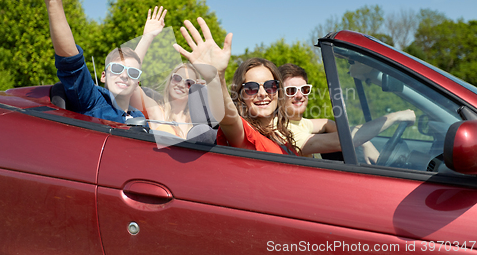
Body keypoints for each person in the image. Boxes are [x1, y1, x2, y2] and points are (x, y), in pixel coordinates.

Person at [20, 0, 145, 123]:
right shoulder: (93, 102)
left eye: (133, 73)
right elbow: (72, 63)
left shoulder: (140, 117)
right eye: (117, 68)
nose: (125, 75)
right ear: (103, 76)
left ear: (137, 84)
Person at [174, 18, 299, 155]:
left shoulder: (282, 137)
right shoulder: (247, 135)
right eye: (251, 88)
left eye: (270, 85)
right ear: (240, 96)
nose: (262, 93)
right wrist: (215, 78)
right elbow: (229, 119)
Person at [278, 63, 416, 163]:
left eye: (304, 89)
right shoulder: (285, 131)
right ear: (278, 95)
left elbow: (327, 124)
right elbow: (342, 141)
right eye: (291, 90)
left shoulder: (298, 122)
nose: (300, 95)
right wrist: (395, 117)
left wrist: (365, 144)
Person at [131, 62, 203, 138]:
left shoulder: (198, 123)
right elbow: (132, 85)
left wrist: (207, 92)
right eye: (177, 78)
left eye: (189, 83)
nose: (181, 85)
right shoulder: (157, 112)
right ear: (170, 81)